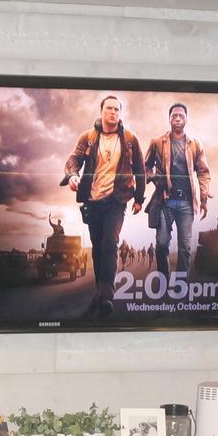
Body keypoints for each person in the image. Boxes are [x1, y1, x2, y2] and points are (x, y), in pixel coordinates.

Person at [61, 95, 145, 316]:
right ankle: (100, 292)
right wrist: (72, 176)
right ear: (101, 111)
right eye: (109, 108)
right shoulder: (88, 137)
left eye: (117, 109)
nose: (113, 113)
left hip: (117, 200)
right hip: (93, 201)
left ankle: (107, 296)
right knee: (97, 248)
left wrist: (139, 198)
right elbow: (73, 160)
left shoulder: (129, 138)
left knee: (110, 244)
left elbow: (140, 169)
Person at [142, 102, 211, 279]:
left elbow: (203, 171)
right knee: (162, 243)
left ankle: (181, 286)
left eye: (181, 116)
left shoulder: (195, 144)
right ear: (169, 119)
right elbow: (145, 167)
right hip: (165, 201)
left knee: (185, 247)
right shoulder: (157, 142)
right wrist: (153, 178)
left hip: (187, 204)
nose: (178, 119)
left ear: (186, 119)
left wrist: (204, 196)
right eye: (174, 116)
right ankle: (164, 281)